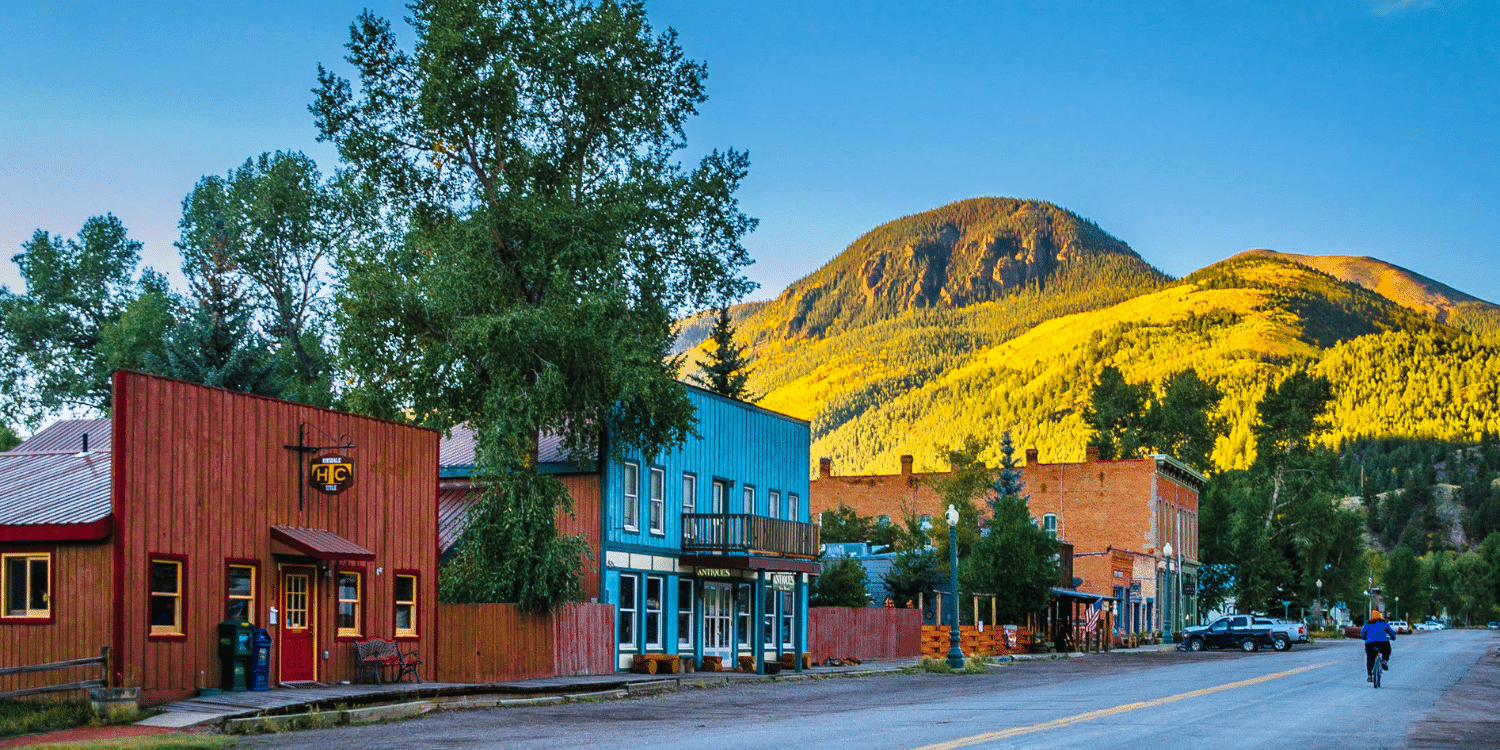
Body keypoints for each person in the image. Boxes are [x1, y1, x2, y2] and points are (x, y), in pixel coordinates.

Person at [1361, 609, 1396, 681]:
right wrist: (1393, 638)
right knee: (1387, 650)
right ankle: (1385, 661)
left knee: (1370, 658)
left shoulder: (1367, 624)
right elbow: (1391, 633)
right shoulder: (1384, 623)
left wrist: (1366, 639)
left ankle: (1370, 676)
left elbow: (1363, 635)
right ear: (1380, 616)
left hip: (1370, 644)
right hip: (1383, 643)